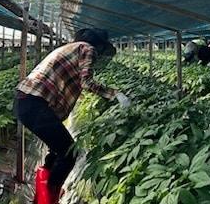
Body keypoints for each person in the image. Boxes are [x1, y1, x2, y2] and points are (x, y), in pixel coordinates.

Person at [14, 28, 131, 198]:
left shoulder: (71, 47)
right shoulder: (88, 49)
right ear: (99, 45)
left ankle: (44, 193)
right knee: (69, 152)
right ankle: (50, 195)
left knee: (58, 149)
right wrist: (116, 94)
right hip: (34, 103)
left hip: (27, 101)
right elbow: (87, 82)